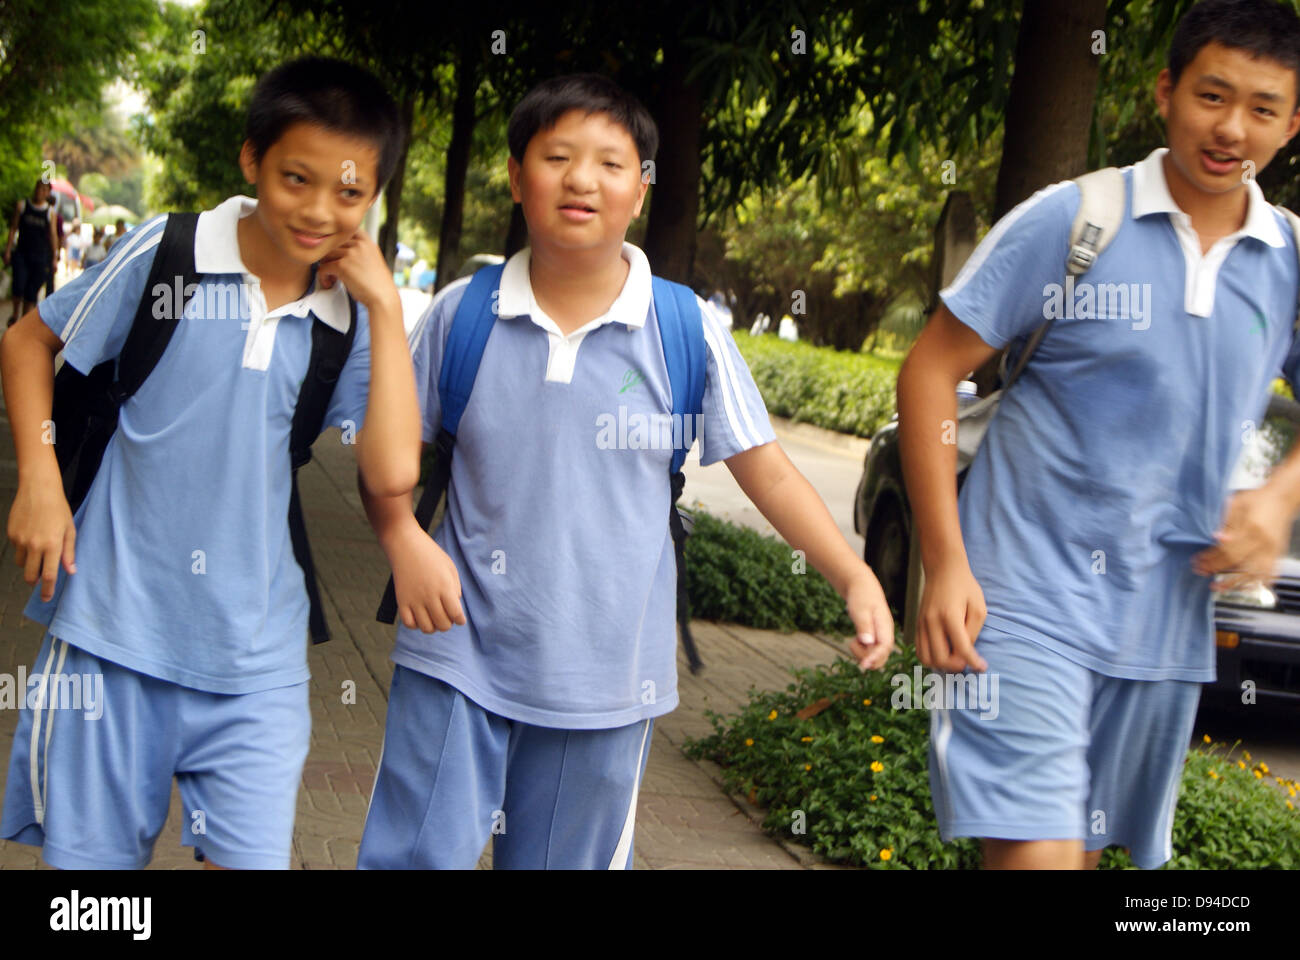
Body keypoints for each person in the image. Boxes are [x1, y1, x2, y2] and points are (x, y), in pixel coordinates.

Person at [356, 73, 895, 870]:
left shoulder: (682, 329)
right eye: (557, 156)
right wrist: (398, 535)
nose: (581, 179)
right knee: (412, 858)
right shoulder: (462, 313)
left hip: (607, 675)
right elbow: (386, 453)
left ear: (641, 190)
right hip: (455, 646)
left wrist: (851, 574)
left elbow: (767, 470)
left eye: (611, 163)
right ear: (516, 176)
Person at [897, 0, 1300, 870]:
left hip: (1164, 626)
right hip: (1020, 600)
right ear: (1166, 92)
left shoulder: (1291, 258)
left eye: (1262, 109)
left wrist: (1280, 493)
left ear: (1293, 124)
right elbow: (931, 368)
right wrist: (947, 560)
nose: (1232, 128)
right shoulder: (1077, 220)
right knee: (1038, 856)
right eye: (1212, 96)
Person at [0, 56, 421, 870]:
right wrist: (42, 482)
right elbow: (28, 341)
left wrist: (388, 310)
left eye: (349, 192)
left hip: (257, 664)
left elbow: (393, 471)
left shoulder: (349, 321)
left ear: (373, 197)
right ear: (252, 159)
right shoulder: (174, 252)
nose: (318, 211)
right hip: (110, 639)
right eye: (296, 178)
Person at [3, 179, 58, 327]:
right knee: (19, 284)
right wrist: (8, 250)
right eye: (39, 189)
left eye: (44, 190)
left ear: (48, 193)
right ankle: (15, 314)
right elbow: (14, 228)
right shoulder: (22, 206)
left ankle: (23, 320)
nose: (40, 192)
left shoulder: (50, 212)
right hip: (22, 252)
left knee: (32, 290)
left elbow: (53, 235)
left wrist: (54, 257)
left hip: (40, 255)